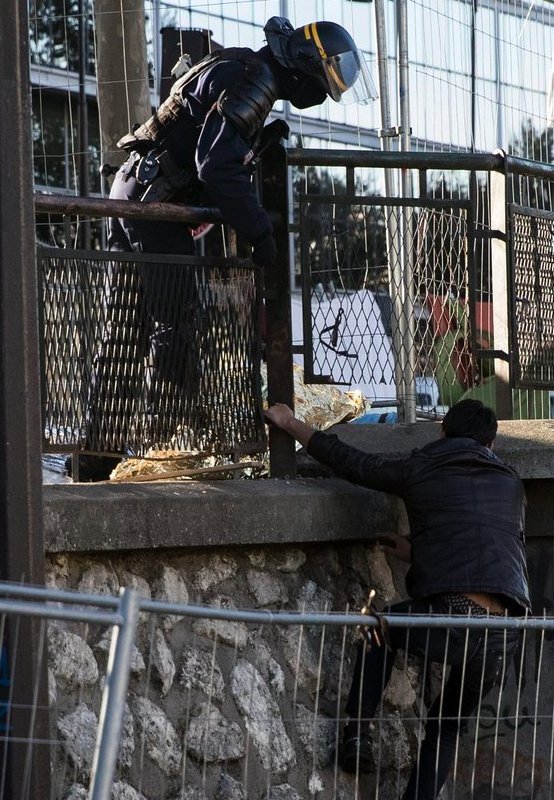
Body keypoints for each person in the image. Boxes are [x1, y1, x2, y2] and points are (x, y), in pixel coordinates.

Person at [73, 16, 378, 481]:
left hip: (138, 193)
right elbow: (215, 165)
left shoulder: (246, 70)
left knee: (129, 327)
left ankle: (96, 459)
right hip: (154, 203)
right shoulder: (254, 81)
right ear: (306, 65)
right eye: (325, 78)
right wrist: (260, 233)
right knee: (174, 323)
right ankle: (164, 446)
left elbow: (207, 154)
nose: (323, 92)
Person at [264, 398, 530, 799]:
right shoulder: (511, 482)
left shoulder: (423, 465)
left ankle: (357, 736)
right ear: (490, 444)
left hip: (454, 615)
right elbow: (491, 548)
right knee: (447, 727)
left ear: (441, 430)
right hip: (504, 631)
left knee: (381, 628)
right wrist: (419, 550)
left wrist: (290, 423)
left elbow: (353, 462)